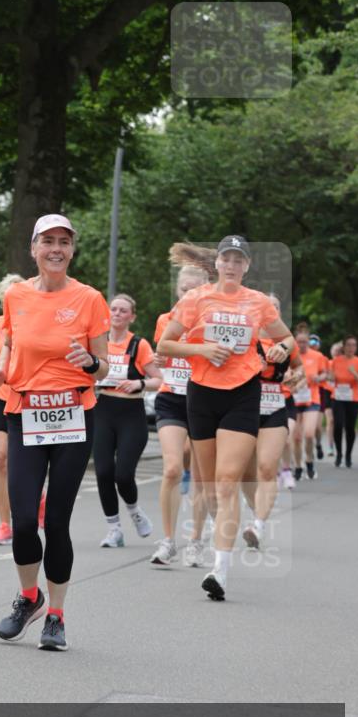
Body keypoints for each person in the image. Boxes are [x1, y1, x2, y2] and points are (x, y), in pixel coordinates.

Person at [0, 214, 110, 650]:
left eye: (64, 242)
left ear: (72, 251)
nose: (56, 248)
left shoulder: (90, 299)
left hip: (73, 413)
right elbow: (12, 347)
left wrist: (89, 364)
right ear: (34, 249)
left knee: (56, 520)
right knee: (22, 520)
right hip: (25, 411)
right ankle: (28, 597)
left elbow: (103, 364)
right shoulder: (16, 296)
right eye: (48, 241)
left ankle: (56, 614)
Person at [157, 236, 294, 601]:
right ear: (216, 264)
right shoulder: (195, 299)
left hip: (242, 394)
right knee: (210, 484)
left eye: (239, 260)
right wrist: (201, 348)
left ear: (246, 266)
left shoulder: (258, 302)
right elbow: (165, 345)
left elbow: (288, 340)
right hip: (201, 393)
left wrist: (282, 348)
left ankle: (220, 570)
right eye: (226, 259)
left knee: (228, 480)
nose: (232, 265)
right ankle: (220, 543)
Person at [151, 254, 211, 567]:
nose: (187, 296)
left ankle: (197, 541)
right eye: (183, 291)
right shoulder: (165, 320)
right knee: (173, 468)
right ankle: (168, 540)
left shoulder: (211, 320)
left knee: (201, 477)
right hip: (171, 396)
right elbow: (159, 354)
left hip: (202, 398)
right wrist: (160, 360)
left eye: (193, 291)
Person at [94, 293, 161, 548]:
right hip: (103, 409)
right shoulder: (99, 342)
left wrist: (140, 382)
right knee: (102, 472)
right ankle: (114, 529)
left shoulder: (138, 345)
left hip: (131, 413)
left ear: (132, 317)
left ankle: (134, 511)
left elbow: (159, 379)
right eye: (114, 309)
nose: (117, 314)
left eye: (123, 311)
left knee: (123, 474)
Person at [241, 294, 305, 549]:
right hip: (244, 408)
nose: (271, 311)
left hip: (275, 407)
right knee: (246, 472)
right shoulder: (247, 337)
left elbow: (300, 369)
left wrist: (295, 379)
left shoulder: (287, 342)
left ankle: (258, 525)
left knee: (267, 467)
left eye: (276, 308)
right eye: (267, 307)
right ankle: (259, 511)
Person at [0, 273, 24, 546]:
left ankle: (40, 499)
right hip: (0, 396)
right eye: (6, 296)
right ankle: (4, 524)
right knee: (0, 458)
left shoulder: (32, 321)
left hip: (24, 398)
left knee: (21, 463)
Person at [291, 326, 326, 481]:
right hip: (295, 399)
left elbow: (325, 373)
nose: (302, 344)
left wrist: (319, 378)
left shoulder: (317, 356)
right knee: (296, 438)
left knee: (309, 433)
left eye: (305, 342)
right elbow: (285, 376)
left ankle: (310, 461)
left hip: (312, 399)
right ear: (295, 342)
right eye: (299, 342)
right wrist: (294, 381)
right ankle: (298, 466)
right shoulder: (291, 356)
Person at [330, 336, 358, 468]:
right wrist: (329, 376)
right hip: (338, 397)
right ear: (344, 347)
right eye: (349, 345)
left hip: (353, 398)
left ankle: (348, 455)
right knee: (338, 425)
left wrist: (354, 373)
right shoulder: (336, 361)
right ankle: (339, 453)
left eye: (354, 345)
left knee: (350, 428)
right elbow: (330, 378)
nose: (351, 348)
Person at [310, 334, 334, 459]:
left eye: (316, 341)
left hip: (320, 392)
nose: (313, 343)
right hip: (304, 393)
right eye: (311, 340)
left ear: (319, 344)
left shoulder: (322, 358)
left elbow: (329, 375)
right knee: (309, 427)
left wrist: (319, 377)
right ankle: (309, 450)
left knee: (318, 427)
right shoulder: (300, 356)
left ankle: (318, 444)